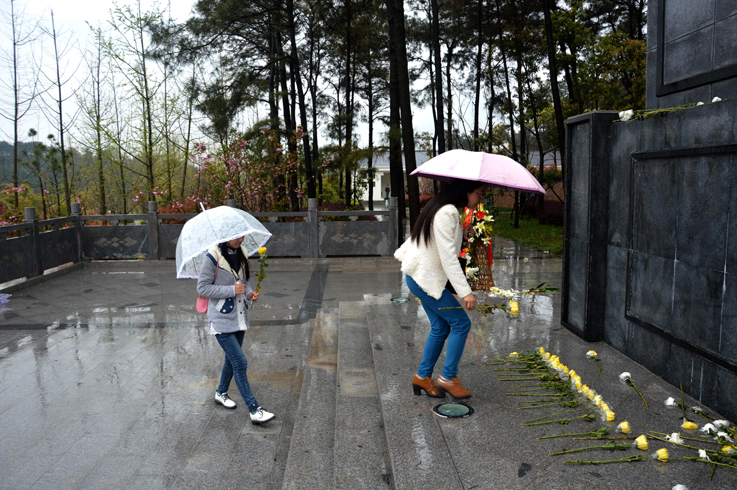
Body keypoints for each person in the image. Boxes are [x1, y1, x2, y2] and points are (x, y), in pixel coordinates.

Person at [394, 179, 488, 399]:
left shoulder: (442, 207)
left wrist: (462, 233)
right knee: (461, 322)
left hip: (419, 276)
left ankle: (422, 377)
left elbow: (439, 244)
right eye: (480, 194)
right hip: (425, 279)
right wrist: (466, 292)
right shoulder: (448, 212)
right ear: (466, 191)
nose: (481, 199)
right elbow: (448, 258)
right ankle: (447, 377)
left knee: (440, 327)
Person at [197, 236, 275, 425]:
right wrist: (232, 290)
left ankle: (221, 393)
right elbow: (203, 287)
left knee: (231, 360)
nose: (239, 239)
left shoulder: (242, 253)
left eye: (242, 235)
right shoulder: (213, 256)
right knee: (240, 362)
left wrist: (249, 293)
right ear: (224, 236)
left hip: (239, 317)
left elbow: (244, 282)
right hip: (221, 319)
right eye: (235, 236)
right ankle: (254, 409)